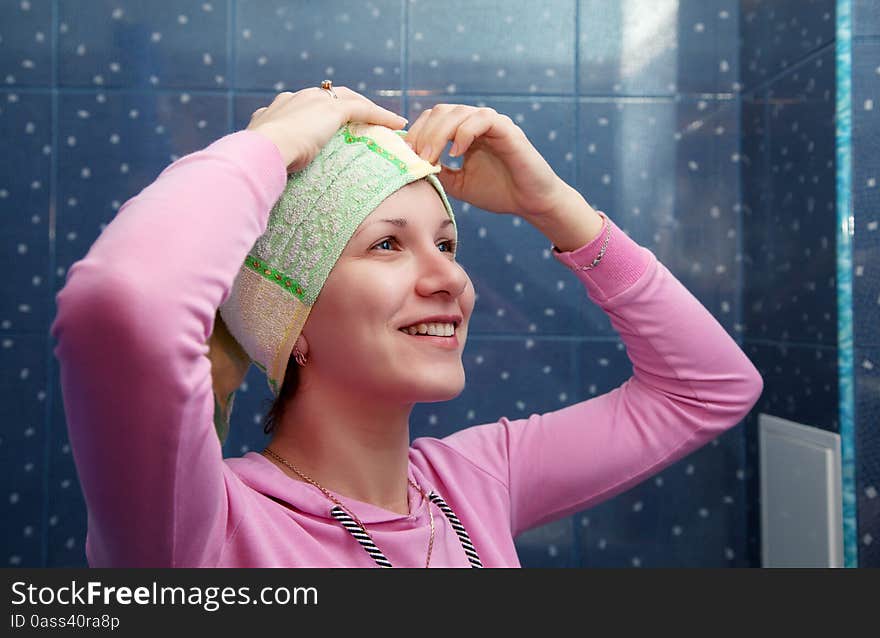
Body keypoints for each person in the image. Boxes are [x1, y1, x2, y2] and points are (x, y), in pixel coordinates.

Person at [50, 81, 763, 568]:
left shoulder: (475, 484)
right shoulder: (199, 531)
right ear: (287, 318)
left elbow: (708, 389)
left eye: (446, 245)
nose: (448, 278)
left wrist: (555, 207)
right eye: (387, 244)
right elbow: (122, 303)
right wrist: (279, 140)